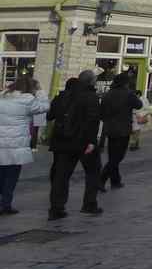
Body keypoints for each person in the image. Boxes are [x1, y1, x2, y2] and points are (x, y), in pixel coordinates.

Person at [48, 70, 103, 219]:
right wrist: (92, 141)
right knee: (93, 172)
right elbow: (93, 120)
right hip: (83, 141)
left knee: (62, 175)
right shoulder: (91, 97)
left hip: (63, 141)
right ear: (92, 82)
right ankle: (89, 204)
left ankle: (56, 208)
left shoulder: (63, 95)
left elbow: (50, 115)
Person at [0, 74, 49, 214]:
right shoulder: (28, 100)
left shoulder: (2, 97)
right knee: (11, 175)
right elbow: (44, 107)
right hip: (17, 144)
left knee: (1, 173)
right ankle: (5, 204)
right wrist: (40, 91)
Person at [98, 73, 143, 191]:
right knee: (117, 157)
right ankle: (101, 180)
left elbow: (101, 113)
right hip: (123, 130)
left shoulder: (108, 94)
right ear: (125, 83)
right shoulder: (128, 94)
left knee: (113, 155)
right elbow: (139, 105)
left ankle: (115, 181)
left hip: (110, 129)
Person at [30, 79, 46, 151]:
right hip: (39, 115)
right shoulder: (42, 92)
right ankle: (33, 146)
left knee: (32, 131)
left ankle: (32, 146)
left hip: (35, 114)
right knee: (35, 131)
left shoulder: (37, 93)